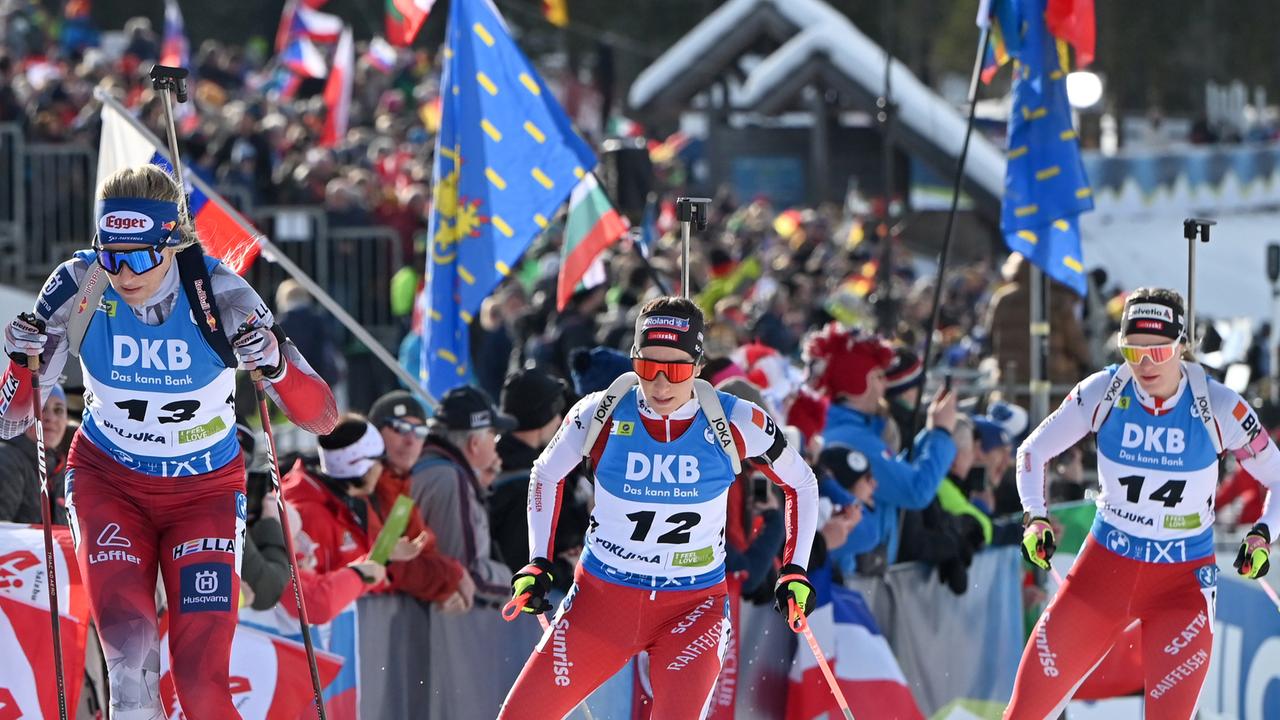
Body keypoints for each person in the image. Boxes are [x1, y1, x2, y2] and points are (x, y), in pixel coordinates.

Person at [0, 165, 339, 718]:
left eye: (139, 256)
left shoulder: (219, 292)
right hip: (110, 484)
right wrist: (21, 364)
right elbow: (11, 422)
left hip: (203, 491)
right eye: (111, 254)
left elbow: (321, 418)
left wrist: (275, 364)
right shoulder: (78, 288)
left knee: (202, 683)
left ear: (173, 243)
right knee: (131, 675)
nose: (124, 273)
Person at [498, 296, 820, 719]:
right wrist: (537, 561)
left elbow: (802, 483)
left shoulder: (736, 420)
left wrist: (794, 568)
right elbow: (545, 475)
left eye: (678, 369)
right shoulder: (601, 413)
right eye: (648, 368)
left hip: (693, 608)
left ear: (699, 365)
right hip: (602, 602)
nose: (662, 385)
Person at [1006, 288, 1280, 718]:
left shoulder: (1219, 407)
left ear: (1182, 346)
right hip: (1103, 573)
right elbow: (1032, 451)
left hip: (1181, 586)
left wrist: (1263, 534)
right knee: (1024, 712)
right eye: (1134, 351)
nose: (1146, 364)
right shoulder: (1106, 391)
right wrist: (1034, 518)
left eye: (1159, 350)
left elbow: (1278, 477)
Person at [804, 324, 957, 571]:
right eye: (877, 377)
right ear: (856, 386)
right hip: (848, 580)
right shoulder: (854, 439)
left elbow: (900, 476)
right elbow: (915, 490)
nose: (884, 387)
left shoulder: (858, 431)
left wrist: (931, 432)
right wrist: (940, 433)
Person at [410, 385, 518, 605]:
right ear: (474, 443)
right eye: (493, 434)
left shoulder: (429, 465)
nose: (497, 445)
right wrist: (519, 583)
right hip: (442, 627)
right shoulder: (449, 478)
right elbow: (468, 572)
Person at [368, 390, 475, 611]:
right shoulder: (366, 487)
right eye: (400, 428)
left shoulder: (400, 486)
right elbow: (382, 563)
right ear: (375, 433)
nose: (410, 441)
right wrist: (452, 576)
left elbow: (422, 550)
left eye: (420, 431)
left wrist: (446, 582)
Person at [490, 367, 587, 592]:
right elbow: (520, 564)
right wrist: (568, 567)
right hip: (536, 604)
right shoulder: (522, 481)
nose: (560, 421)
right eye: (557, 412)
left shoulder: (498, 460)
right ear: (542, 416)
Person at [0, 383, 68, 523]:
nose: (51, 418)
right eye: (41, 408)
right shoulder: (6, 459)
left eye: (58, 410)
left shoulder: (67, 472)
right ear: (24, 415)